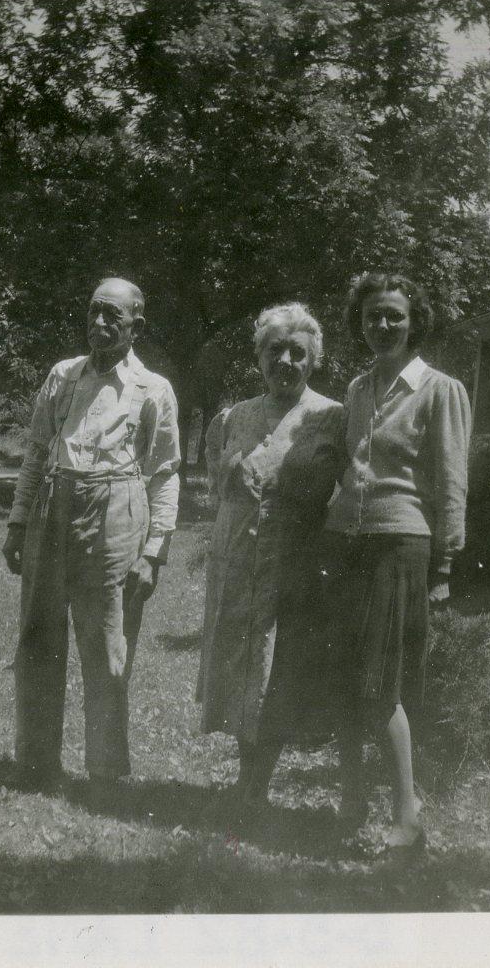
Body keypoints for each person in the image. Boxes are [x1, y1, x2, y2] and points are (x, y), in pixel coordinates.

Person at [2, 277, 180, 802]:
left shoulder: (154, 389)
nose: (100, 324)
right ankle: (36, 762)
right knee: (38, 633)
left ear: (136, 326)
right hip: (52, 508)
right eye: (94, 313)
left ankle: (104, 772)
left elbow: (165, 471)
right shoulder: (63, 375)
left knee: (107, 637)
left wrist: (155, 551)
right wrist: (17, 523)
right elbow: (36, 452)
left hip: (117, 510)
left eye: (113, 316)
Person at [322, 271, 471, 849]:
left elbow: (452, 481)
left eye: (394, 315)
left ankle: (407, 810)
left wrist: (445, 567)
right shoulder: (358, 389)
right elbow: (348, 464)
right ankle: (351, 798)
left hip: (401, 545)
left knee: (380, 682)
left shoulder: (439, 389)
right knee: (343, 677)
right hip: (348, 544)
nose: (382, 326)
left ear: (415, 322)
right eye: (371, 316)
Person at [197, 303, 342, 818]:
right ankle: (246, 781)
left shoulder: (333, 418)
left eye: (297, 352)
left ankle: (259, 781)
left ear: (313, 361)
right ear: (259, 357)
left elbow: (347, 493)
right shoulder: (232, 418)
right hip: (237, 558)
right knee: (243, 665)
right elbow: (217, 487)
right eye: (274, 350)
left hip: (296, 562)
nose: (285, 360)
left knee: (277, 667)